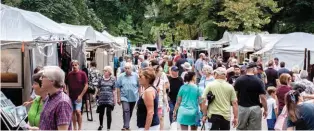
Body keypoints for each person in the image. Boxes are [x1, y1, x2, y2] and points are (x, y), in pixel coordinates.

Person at [234, 62, 268, 130]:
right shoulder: (259, 81)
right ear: (253, 69)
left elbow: (235, 95)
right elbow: (263, 97)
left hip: (242, 108)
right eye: (256, 69)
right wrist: (266, 109)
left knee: (240, 128)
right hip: (255, 108)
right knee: (254, 129)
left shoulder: (239, 80)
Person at [39, 66, 72, 130]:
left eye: (43, 77)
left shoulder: (62, 102)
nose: (40, 79)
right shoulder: (50, 97)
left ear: (52, 81)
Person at [115, 62, 140, 130]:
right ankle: (126, 126)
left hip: (133, 97)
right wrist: (118, 98)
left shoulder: (136, 76)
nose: (127, 69)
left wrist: (140, 97)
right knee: (126, 110)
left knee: (130, 111)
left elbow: (139, 86)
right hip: (124, 97)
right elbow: (118, 88)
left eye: (128, 68)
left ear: (131, 68)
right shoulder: (121, 76)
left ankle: (126, 125)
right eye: (125, 68)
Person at [65, 60, 88, 130]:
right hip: (71, 96)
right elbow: (66, 84)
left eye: (75, 65)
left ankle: (80, 128)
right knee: (72, 112)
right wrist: (67, 92)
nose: (74, 66)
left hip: (79, 97)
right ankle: (74, 127)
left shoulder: (82, 74)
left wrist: (81, 96)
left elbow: (86, 85)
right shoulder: (69, 74)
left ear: (78, 65)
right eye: (73, 65)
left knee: (78, 112)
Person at [150, 60, 169, 130]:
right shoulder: (150, 80)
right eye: (160, 71)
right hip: (151, 102)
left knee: (161, 117)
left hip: (159, 102)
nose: (162, 72)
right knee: (152, 117)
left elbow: (165, 91)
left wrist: (167, 104)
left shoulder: (162, 79)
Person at [96, 66, 116, 130]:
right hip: (101, 98)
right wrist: (96, 96)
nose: (104, 72)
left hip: (109, 99)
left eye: (106, 71)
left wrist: (114, 99)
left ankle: (108, 128)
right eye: (104, 71)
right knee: (101, 113)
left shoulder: (113, 79)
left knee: (108, 113)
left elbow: (114, 90)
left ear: (109, 72)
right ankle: (101, 125)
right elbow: (98, 88)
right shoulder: (100, 79)